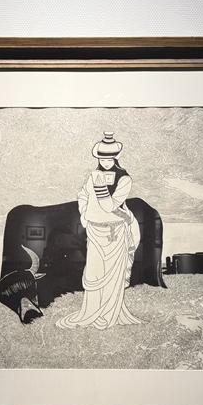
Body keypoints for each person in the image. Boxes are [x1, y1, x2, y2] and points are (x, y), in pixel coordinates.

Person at [56, 132, 142, 330]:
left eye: (109, 159)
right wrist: (85, 214)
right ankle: (92, 312)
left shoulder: (124, 179)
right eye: (102, 159)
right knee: (94, 274)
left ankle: (109, 314)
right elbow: (83, 195)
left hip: (115, 231)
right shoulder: (93, 176)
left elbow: (110, 205)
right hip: (95, 231)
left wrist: (100, 184)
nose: (105, 162)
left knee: (113, 277)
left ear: (115, 158)